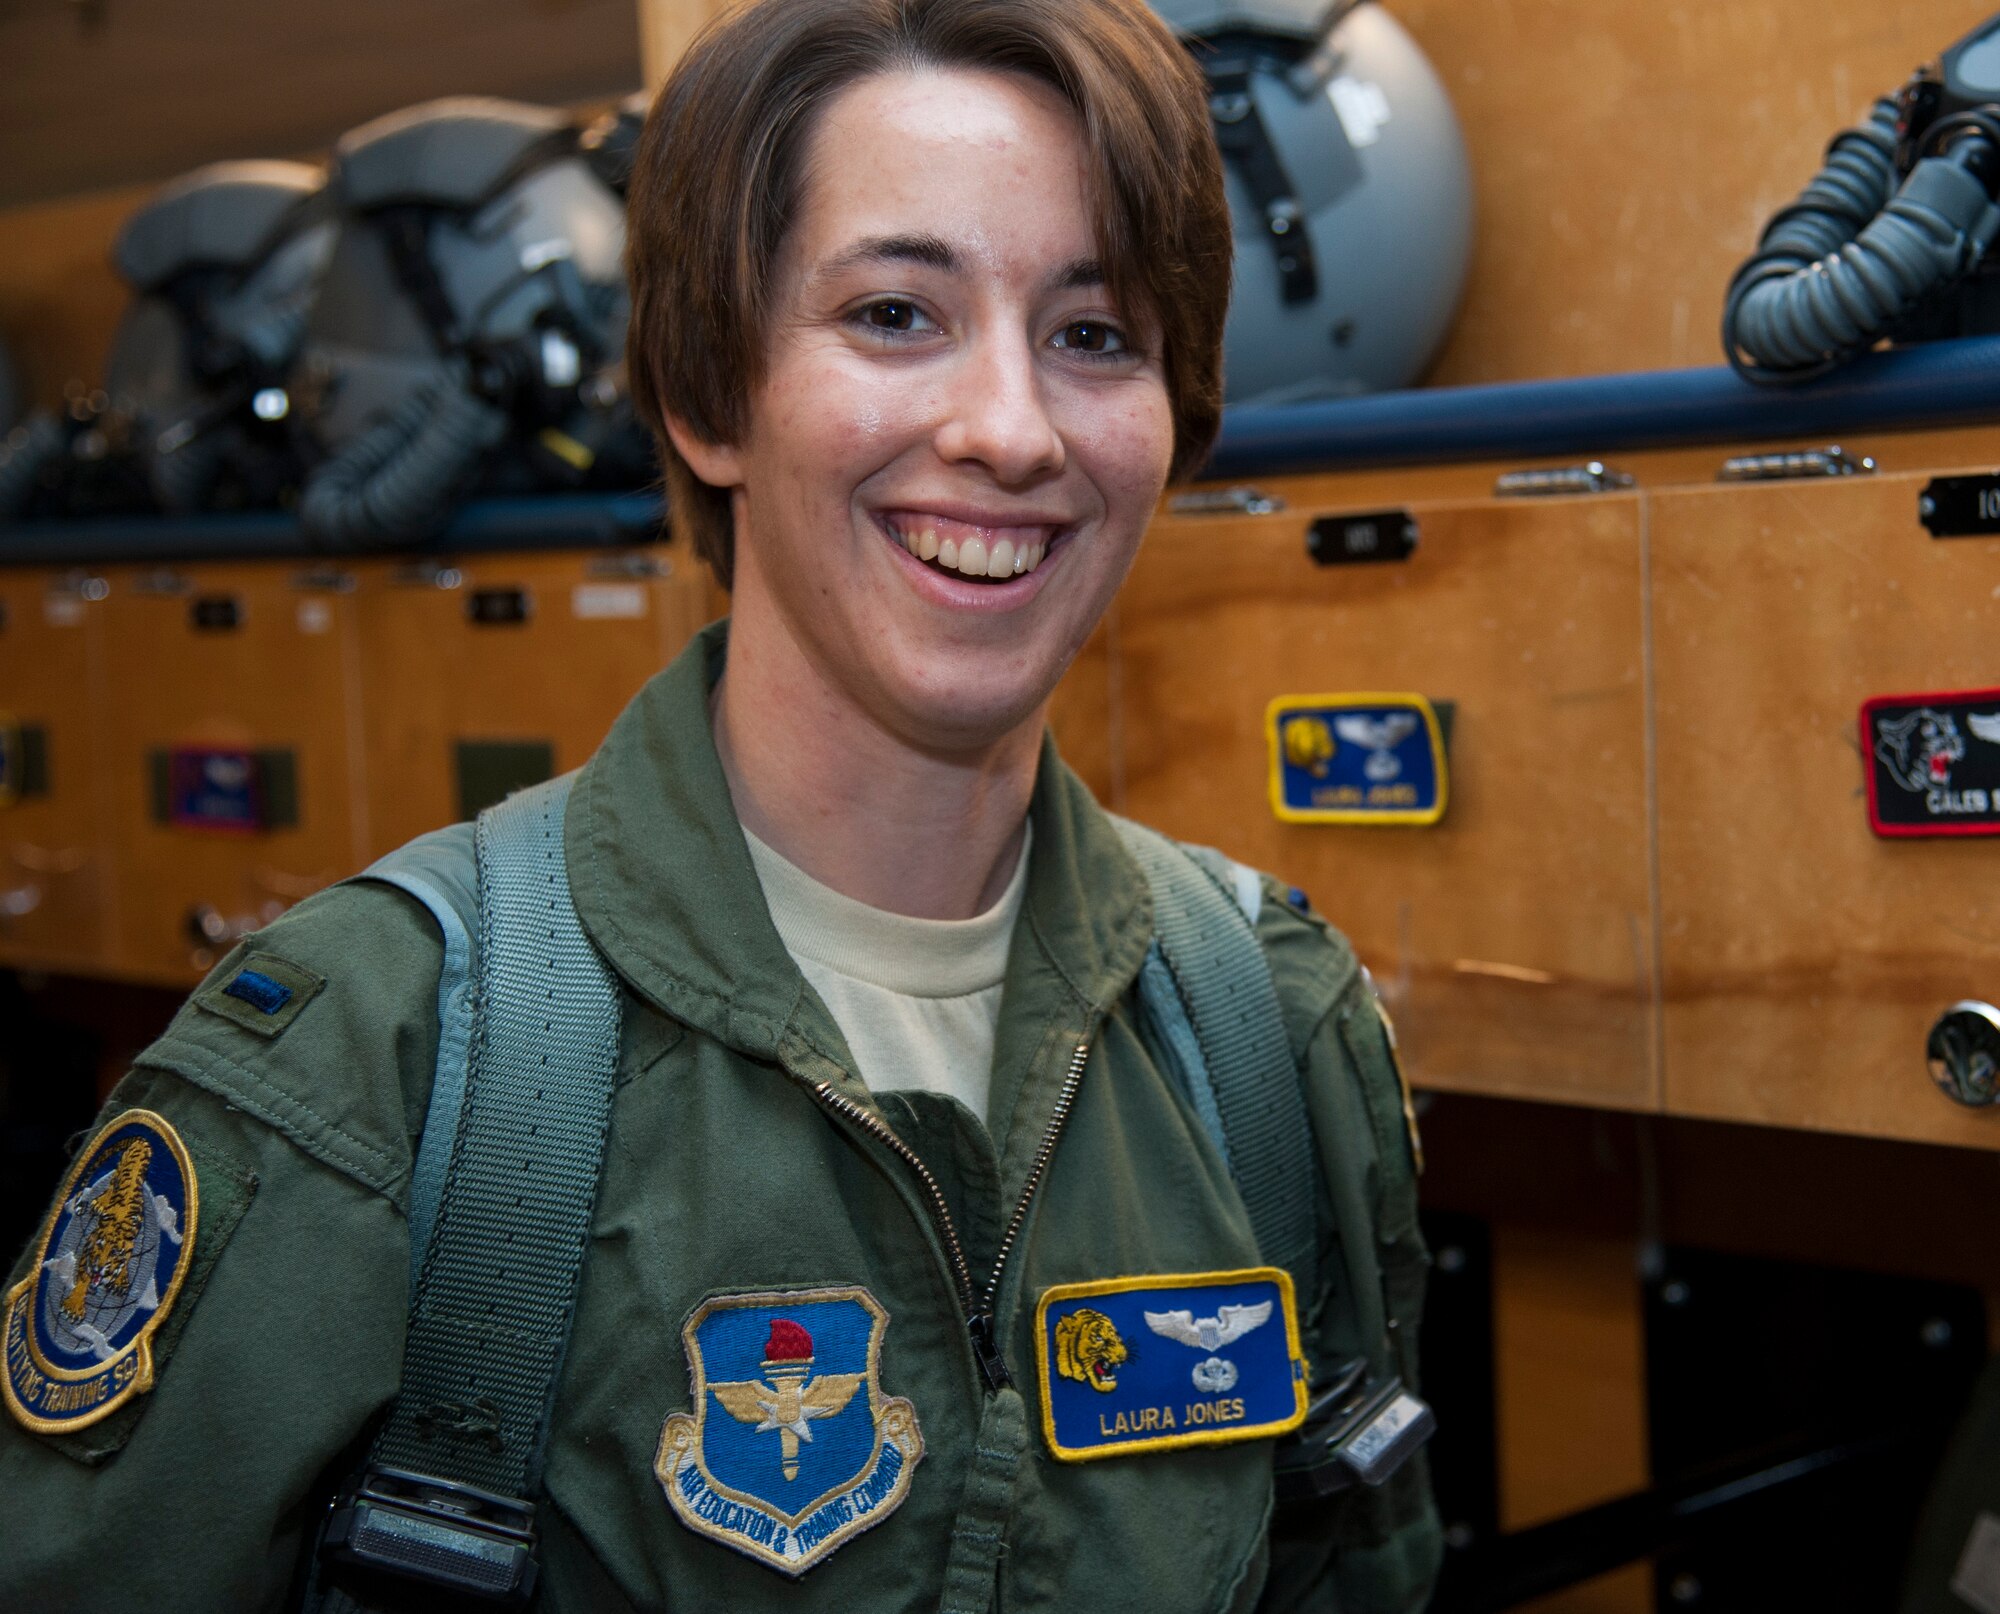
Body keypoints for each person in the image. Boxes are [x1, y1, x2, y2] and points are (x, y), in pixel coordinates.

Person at [0, 0, 1438, 1608]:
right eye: (897, 312)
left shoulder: (1265, 1033)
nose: (1011, 429)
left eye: (1095, 335)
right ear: (705, 393)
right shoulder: (382, 1063)